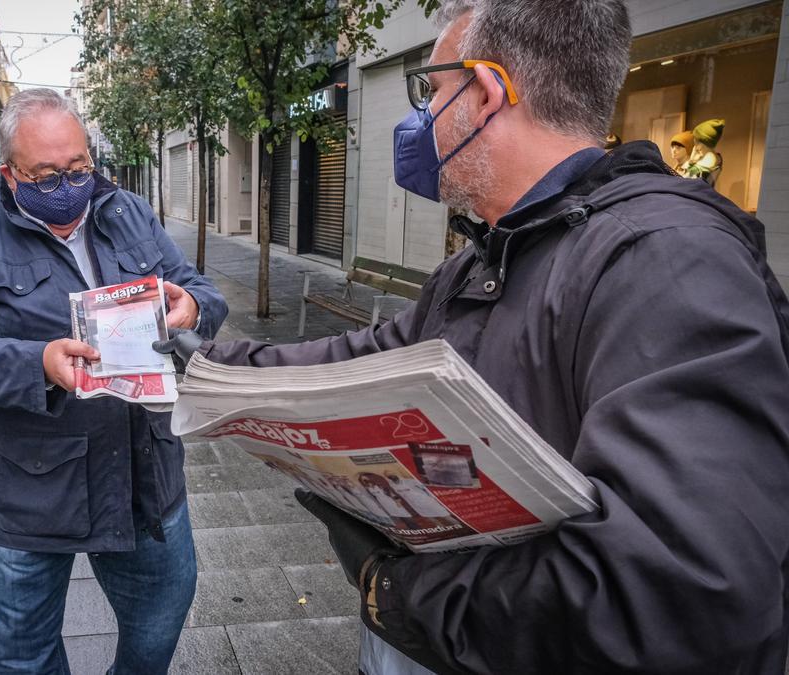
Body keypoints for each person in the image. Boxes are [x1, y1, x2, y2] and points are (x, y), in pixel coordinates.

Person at [155, 1, 789, 672]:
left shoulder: (668, 263)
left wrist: (395, 589)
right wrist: (223, 367)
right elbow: (376, 354)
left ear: (486, 92)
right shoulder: (492, 255)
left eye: (429, 91)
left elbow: (681, 598)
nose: (418, 121)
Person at [0, 88, 228, 674]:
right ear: (10, 174)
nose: (66, 183)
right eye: (46, 173)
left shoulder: (130, 213)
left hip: (143, 472)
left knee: (160, 619)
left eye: (78, 166)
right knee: (22, 657)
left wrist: (191, 305)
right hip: (30, 486)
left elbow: (202, 290)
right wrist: (39, 363)